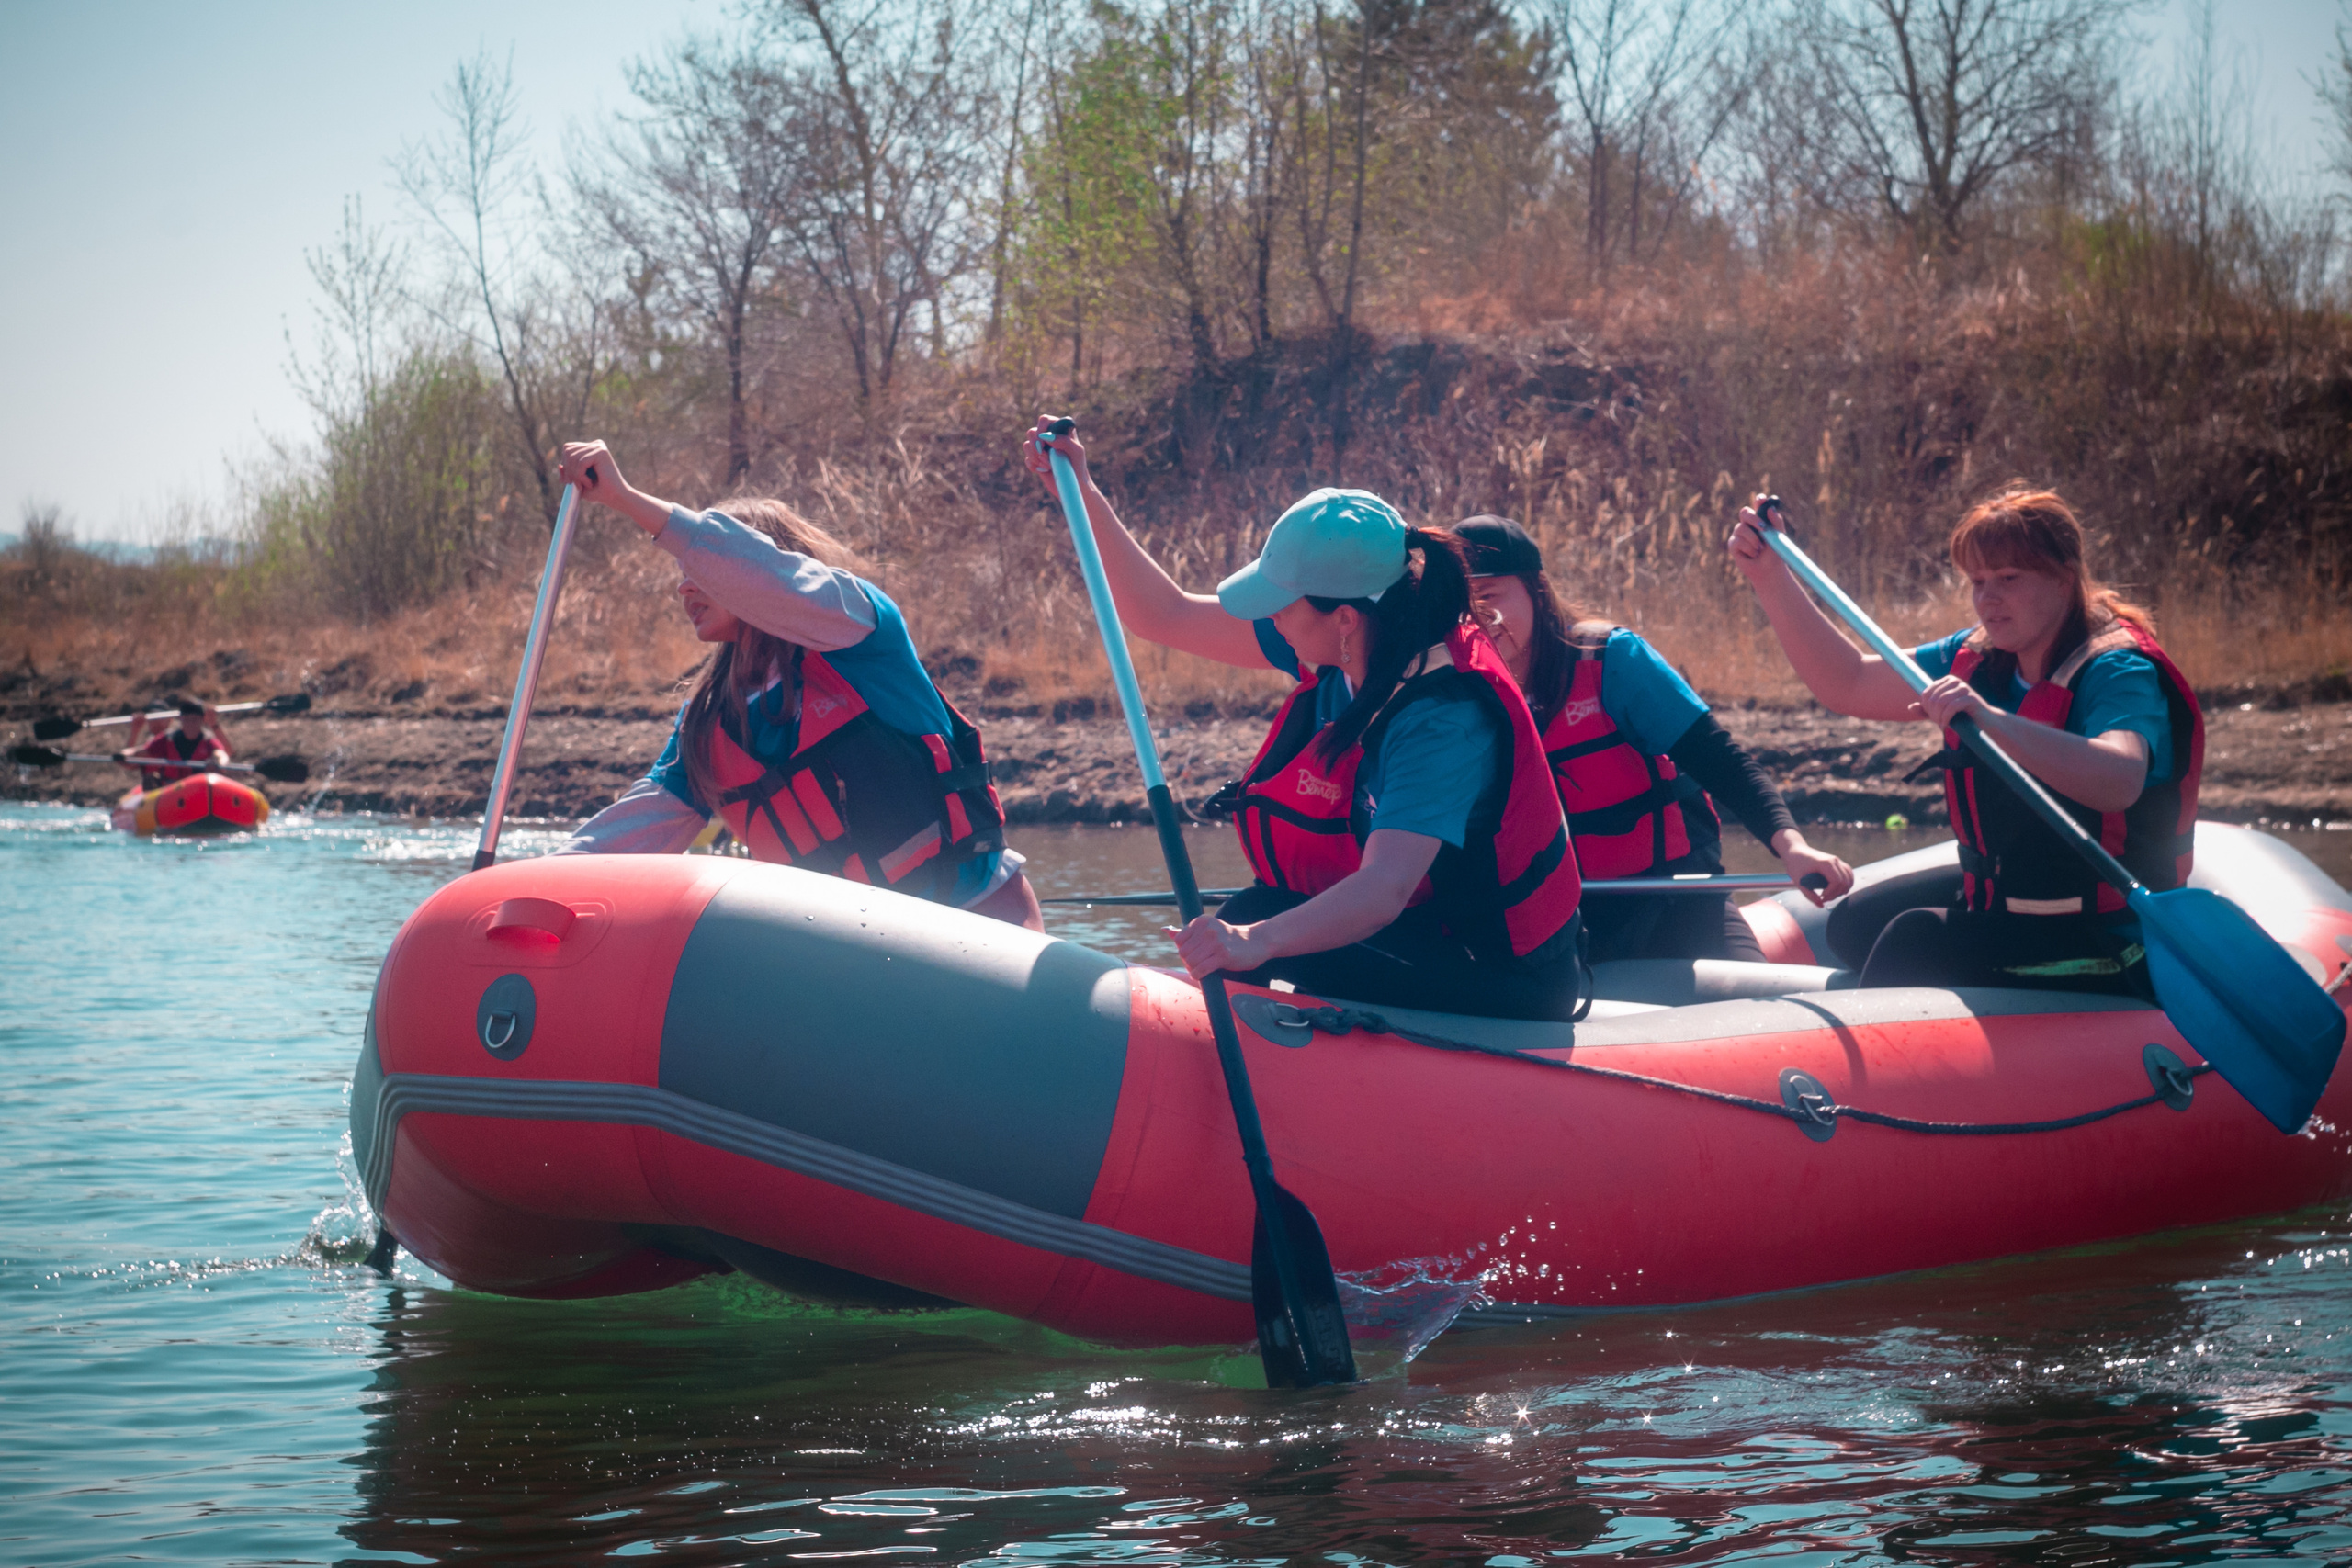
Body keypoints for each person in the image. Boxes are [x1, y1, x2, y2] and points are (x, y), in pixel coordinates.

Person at [1022, 418, 1586, 1021]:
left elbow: (1382, 892)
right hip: (1426, 933)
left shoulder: (1444, 718)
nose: (1272, 619)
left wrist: (1252, 943)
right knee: (1252, 910)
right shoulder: (1354, 632)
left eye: (1279, 604)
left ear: (1343, 618)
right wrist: (1081, 492)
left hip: (1502, 977)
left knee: (1249, 926)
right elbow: (1165, 615)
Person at [1728, 485, 2203, 994]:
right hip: (2006, 902)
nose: (1988, 598)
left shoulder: (2116, 669)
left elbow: (2120, 777)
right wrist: (1769, 577)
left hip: (2109, 934)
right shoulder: (1980, 654)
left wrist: (1994, 722)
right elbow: (1848, 683)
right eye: (1978, 581)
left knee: (1914, 940)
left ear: (2064, 578)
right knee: (1852, 924)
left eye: (2008, 579)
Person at [549, 440, 1042, 931]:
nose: (684, 586)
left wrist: (624, 498)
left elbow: (766, 578)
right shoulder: (708, 722)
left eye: (697, 569)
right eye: (683, 574)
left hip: (976, 916)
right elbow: (639, 825)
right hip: (856, 950)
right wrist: (536, 885)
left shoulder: (859, 630)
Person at [1455, 516, 1853, 964]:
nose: (1478, 621)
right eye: (1462, 609)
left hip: (1674, 896)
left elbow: (1720, 760)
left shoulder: (1612, 660)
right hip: (1568, 915)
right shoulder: (1460, 695)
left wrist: (1792, 847)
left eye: (1489, 598)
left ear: (1537, 589)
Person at [123, 698, 229, 789]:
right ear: (181, 720)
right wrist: (124, 755)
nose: (191, 724)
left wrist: (219, 763)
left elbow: (221, 754)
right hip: (169, 792)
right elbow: (133, 758)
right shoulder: (164, 741)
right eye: (187, 720)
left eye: (194, 720)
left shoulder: (208, 740)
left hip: (198, 790)